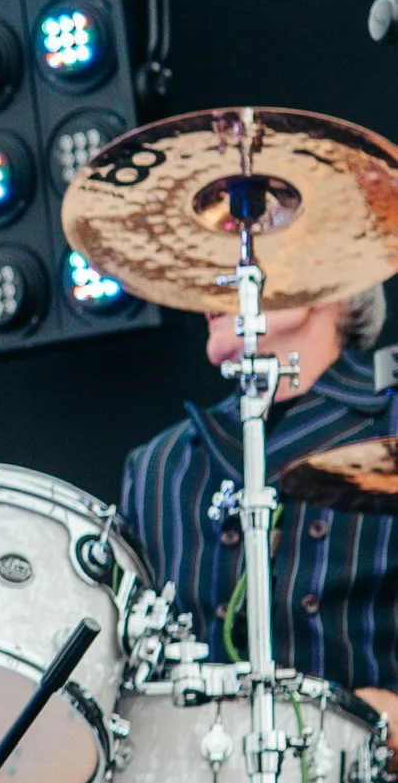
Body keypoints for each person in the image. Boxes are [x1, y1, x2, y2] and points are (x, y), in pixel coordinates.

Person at [121, 283, 398, 732]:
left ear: (327, 276)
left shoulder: (390, 424)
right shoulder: (161, 464)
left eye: (238, 254)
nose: (208, 285)